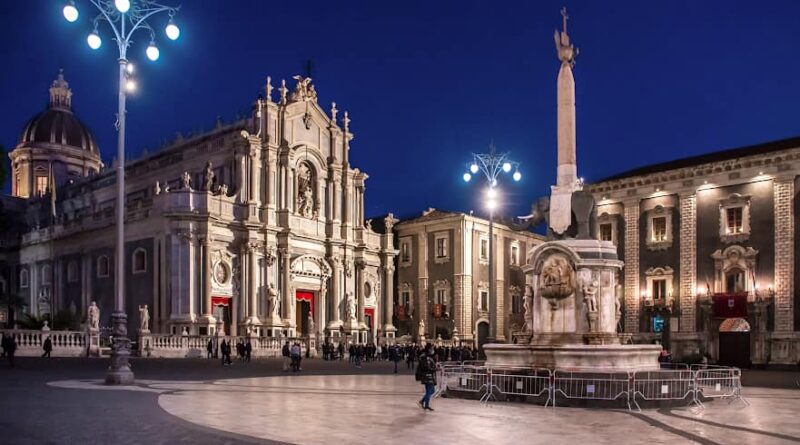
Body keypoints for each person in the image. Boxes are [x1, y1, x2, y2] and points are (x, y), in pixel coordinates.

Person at [416, 346, 437, 411]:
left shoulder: (426, 357)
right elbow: (427, 367)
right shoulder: (426, 358)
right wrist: (435, 369)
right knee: (429, 391)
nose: (432, 350)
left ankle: (422, 401)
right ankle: (426, 405)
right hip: (428, 376)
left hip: (428, 376)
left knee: (432, 390)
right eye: (431, 349)